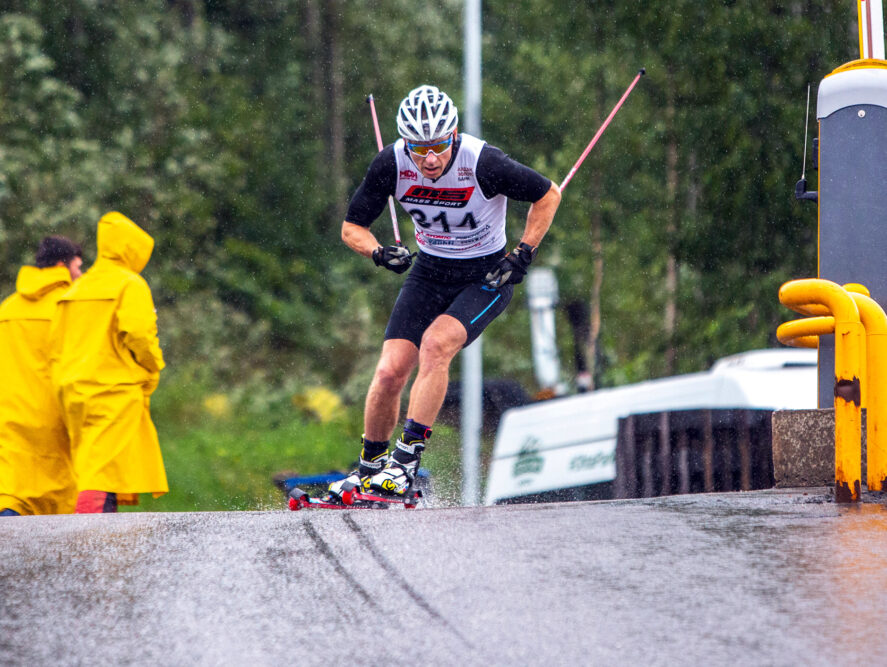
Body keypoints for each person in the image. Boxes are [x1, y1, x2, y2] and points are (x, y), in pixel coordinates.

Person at [328, 85, 561, 500]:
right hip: (429, 271)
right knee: (389, 371)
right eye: (420, 149)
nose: (430, 159)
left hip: (485, 277)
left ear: (453, 135)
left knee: (436, 345)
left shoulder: (484, 162)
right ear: (406, 143)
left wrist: (522, 254)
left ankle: (404, 465)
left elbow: (548, 193)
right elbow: (352, 228)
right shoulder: (393, 164)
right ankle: (369, 469)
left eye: (438, 146)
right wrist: (380, 253)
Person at [50, 212, 167, 513]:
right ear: (131, 249)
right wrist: (154, 365)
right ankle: (90, 542)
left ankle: (93, 536)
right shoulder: (130, 284)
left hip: (72, 391)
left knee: (89, 465)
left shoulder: (77, 288)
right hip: (112, 390)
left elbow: (56, 342)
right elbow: (139, 335)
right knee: (100, 473)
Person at [0, 236, 83, 517]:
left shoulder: (7, 309)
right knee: (59, 525)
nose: (80, 274)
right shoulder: (69, 307)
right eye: (78, 266)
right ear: (62, 265)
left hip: (11, 421)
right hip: (54, 423)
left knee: (14, 500)